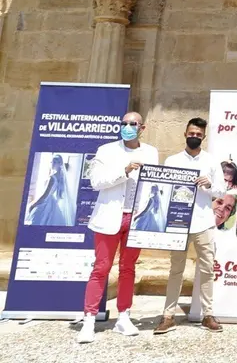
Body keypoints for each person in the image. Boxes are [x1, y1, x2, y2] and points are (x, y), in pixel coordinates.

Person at [78, 111, 159, 344]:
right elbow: (95, 182)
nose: (127, 127)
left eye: (132, 124)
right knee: (101, 268)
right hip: (109, 217)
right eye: (124, 123)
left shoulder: (151, 152)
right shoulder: (106, 150)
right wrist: (124, 171)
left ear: (142, 128)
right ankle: (89, 319)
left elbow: (156, 183)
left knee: (128, 268)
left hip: (137, 218)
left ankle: (124, 316)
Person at [155, 118, 227, 334]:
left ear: (203, 137)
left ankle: (208, 314)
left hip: (203, 221)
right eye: (191, 133)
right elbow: (162, 189)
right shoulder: (172, 160)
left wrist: (209, 185)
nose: (194, 137)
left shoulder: (212, 162)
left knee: (206, 269)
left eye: (198, 134)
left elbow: (222, 192)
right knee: (176, 269)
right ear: (185, 134)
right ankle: (168, 315)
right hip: (178, 222)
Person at [29, 154, 74, 226]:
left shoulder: (53, 177)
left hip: (46, 202)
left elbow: (45, 195)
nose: (52, 164)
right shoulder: (62, 177)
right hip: (53, 202)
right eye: (52, 162)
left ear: (59, 164)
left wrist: (34, 205)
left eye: (54, 162)